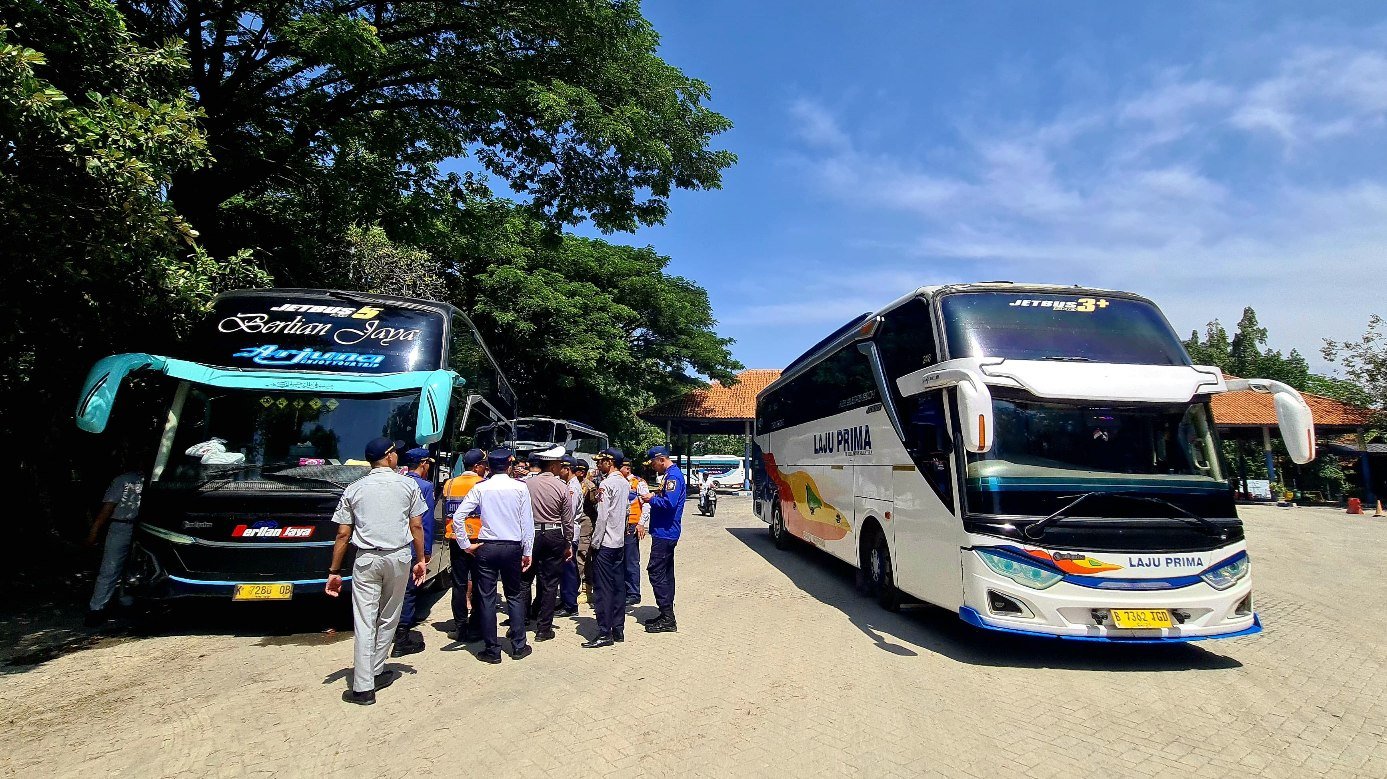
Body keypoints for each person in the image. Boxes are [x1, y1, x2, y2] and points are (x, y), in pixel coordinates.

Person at [326, 438, 428, 705]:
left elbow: (342, 533)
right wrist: (420, 559)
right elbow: (416, 526)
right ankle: (376, 670)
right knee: (389, 617)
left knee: (364, 620)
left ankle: (363, 686)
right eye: (395, 452)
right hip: (399, 557)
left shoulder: (354, 488)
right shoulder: (408, 485)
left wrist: (334, 571)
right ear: (389, 456)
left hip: (367, 559)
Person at [452, 448, 535, 663]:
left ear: (488, 466)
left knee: (487, 598)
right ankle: (519, 646)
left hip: (487, 547)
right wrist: (528, 551)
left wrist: (465, 544)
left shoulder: (482, 487)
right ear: (509, 465)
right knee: (514, 596)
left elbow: (459, 516)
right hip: (512, 546)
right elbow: (527, 522)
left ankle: (492, 649)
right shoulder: (520, 487)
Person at [520, 445, 574, 641]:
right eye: (559, 464)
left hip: (530, 534)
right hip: (553, 534)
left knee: (525, 579)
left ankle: (522, 621)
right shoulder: (562, 487)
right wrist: (568, 542)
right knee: (549, 582)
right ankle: (544, 629)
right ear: (552, 466)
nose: (561, 467)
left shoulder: (526, 485)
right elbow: (567, 519)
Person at [85, 465, 145, 627]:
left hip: (141, 527)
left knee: (133, 566)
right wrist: (95, 529)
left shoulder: (148, 480)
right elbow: (108, 507)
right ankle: (96, 608)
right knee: (111, 567)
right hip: (121, 526)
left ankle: (126, 602)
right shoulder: (123, 480)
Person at [583, 448, 630, 648]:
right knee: (619, 587)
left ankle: (604, 632)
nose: (598, 465)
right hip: (619, 542)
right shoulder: (625, 483)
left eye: (600, 462)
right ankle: (618, 628)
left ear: (609, 463)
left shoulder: (606, 484)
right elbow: (626, 512)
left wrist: (594, 542)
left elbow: (602, 517)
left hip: (606, 542)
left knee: (603, 589)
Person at [393, 447, 437, 657]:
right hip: (412, 546)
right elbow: (424, 522)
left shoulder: (395, 482)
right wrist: (425, 551)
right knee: (409, 591)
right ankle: (402, 637)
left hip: (393, 545)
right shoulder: (425, 486)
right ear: (423, 464)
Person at [638, 446, 686, 633]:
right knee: (665, 572)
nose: (651, 467)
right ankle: (666, 612)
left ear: (660, 459)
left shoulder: (673, 476)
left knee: (656, 571)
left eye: (652, 463)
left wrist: (651, 499)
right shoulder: (669, 475)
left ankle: (668, 617)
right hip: (664, 531)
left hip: (665, 532)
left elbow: (669, 503)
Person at [441, 448, 487, 642]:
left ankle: (460, 627)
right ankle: (476, 627)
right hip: (479, 539)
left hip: (456, 540)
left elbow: (446, 511)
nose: (485, 468)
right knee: (479, 583)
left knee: (459, 584)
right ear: (476, 467)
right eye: (484, 465)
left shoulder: (449, 484)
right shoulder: (484, 484)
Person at [557, 455, 585, 617]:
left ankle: (570, 605)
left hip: (569, 534)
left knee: (568, 570)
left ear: (567, 469)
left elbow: (569, 514)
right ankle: (566, 600)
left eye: (560, 467)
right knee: (565, 570)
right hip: (568, 532)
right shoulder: (569, 485)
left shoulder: (573, 488)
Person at [620, 461, 651, 606]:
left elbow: (646, 503)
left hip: (632, 525)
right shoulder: (618, 481)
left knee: (631, 560)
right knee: (620, 559)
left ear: (627, 468)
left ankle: (633, 592)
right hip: (619, 525)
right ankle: (623, 590)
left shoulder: (638, 482)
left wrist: (641, 523)